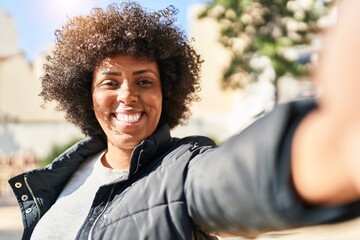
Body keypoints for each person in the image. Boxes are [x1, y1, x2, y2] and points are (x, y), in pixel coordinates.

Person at [8, 1, 360, 239]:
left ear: (167, 93)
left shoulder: (182, 169)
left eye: (145, 81)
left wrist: (340, 146)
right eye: (110, 82)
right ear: (87, 95)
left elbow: (236, 178)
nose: (128, 94)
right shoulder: (60, 175)